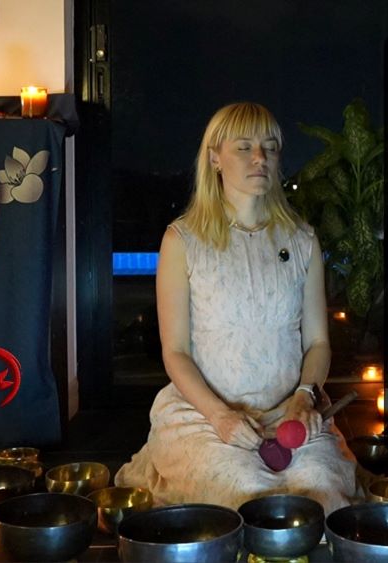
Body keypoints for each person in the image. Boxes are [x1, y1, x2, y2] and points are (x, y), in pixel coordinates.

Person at [115, 102, 362, 514]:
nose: (260, 158)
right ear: (215, 157)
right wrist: (220, 416)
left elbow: (318, 341)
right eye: (244, 147)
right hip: (205, 413)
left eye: (269, 147)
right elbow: (174, 351)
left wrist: (304, 396)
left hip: (290, 411)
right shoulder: (183, 240)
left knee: (320, 492)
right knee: (244, 492)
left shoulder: (302, 240)